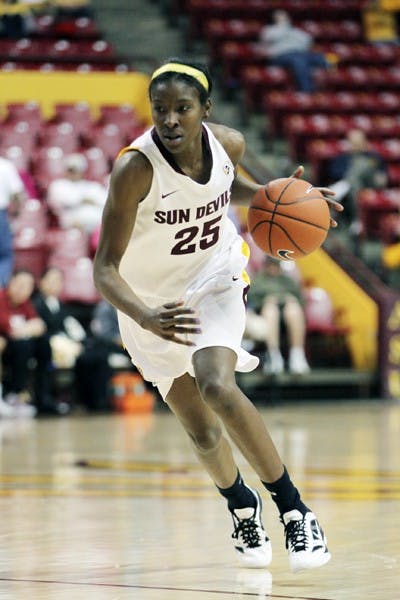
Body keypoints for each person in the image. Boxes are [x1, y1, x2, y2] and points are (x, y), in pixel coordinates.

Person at [93, 57, 341, 573]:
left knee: (217, 386)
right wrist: (143, 316)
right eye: (160, 110)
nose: (171, 121)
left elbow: (233, 191)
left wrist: (290, 200)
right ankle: (240, 505)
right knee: (203, 433)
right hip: (149, 305)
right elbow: (105, 270)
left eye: (183, 109)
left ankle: (294, 510)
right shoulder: (134, 169)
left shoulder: (227, 143)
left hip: (215, 276)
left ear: (205, 109)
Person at [0, 269, 53, 417]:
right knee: (23, 345)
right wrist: (28, 328)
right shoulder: (2, 299)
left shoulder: (25, 304)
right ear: (11, 282)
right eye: (20, 284)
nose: (23, 290)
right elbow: (8, 328)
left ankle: (42, 396)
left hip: (19, 344)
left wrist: (25, 329)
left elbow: (40, 325)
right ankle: (14, 393)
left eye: (28, 286)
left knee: (43, 344)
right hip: (6, 347)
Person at [245, 257, 310, 375]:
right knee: (270, 310)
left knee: (294, 308)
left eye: (275, 265)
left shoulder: (288, 281)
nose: (273, 268)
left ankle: (297, 355)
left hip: (287, 314)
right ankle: (274, 356)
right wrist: (267, 300)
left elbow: (301, 300)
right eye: (270, 265)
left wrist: (290, 299)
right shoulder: (259, 280)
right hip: (265, 315)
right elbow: (251, 301)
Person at [74, 299, 131, 412]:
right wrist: (121, 340)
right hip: (109, 345)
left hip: (127, 345)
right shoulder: (104, 308)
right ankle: (102, 400)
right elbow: (102, 333)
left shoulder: (127, 304)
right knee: (99, 358)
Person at [327, 128, 388, 234]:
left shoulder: (373, 157)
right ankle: (358, 219)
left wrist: (380, 178)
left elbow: (382, 178)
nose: (356, 145)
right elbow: (334, 174)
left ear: (364, 142)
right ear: (348, 143)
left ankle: (345, 185)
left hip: (370, 184)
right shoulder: (342, 158)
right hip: (355, 189)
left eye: (359, 142)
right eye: (353, 143)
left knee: (363, 164)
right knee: (355, 183)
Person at [256, 10, 329, 93]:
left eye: (284, 15)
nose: (283, 17)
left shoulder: (294, 30)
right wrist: (284, 27)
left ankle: (332, 86)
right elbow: (270, 39)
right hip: (281, 56)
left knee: (329, 58)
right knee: (299, 62)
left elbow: (307, 40)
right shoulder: (269, 30)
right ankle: (307, 92)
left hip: (301, 54)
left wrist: (289, 31)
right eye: (280, 15)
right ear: (273, 18)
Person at [47, 152, 107, 235]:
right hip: (72, 221)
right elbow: (61, 202)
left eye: (76, 170)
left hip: (99, 222)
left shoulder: (93, 186)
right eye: (70, 170)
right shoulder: (58, 185)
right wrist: (84, 200)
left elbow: (106, 202)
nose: (73, 173)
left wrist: (81, 201)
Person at [0, 152, 26, 288]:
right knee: (4, 255)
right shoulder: (5, 166)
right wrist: (15, 215)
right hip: (0, 215)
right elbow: (17, 194)